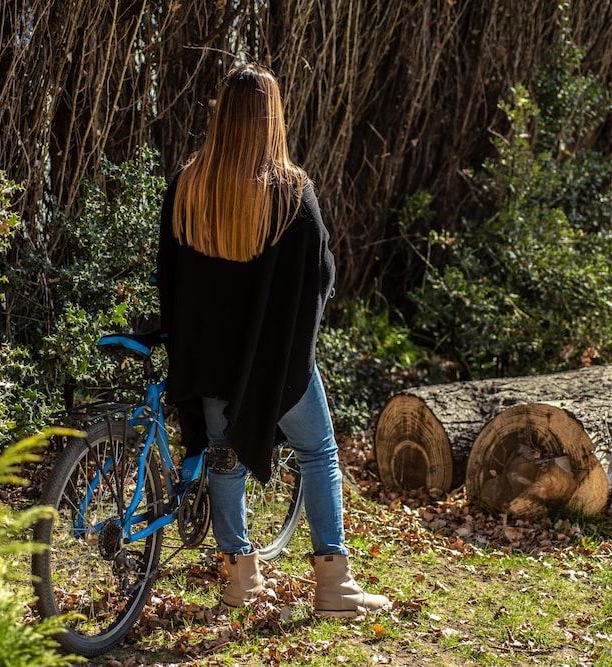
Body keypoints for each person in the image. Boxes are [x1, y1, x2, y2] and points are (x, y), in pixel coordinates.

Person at [156, 63, 390, 617]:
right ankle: (333, 583)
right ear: (271, 119)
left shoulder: (188, 186)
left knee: (225, 460)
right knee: (318, 451)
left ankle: (241, 578)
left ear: (221, 118)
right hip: (273, 365)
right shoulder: (290, 191)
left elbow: (168, 273)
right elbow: (318, 275)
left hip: (209, 362)